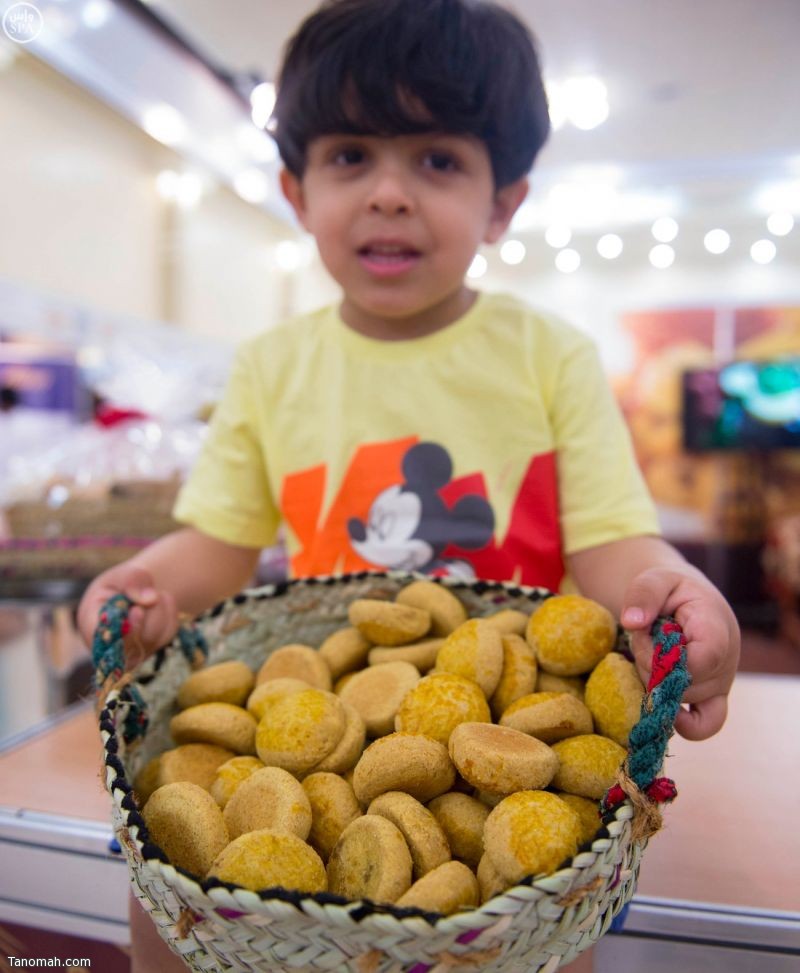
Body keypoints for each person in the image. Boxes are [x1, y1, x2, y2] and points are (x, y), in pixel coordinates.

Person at [77, 2, 740, 970]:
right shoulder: (271, 365)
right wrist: (142, 581)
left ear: (501, 202)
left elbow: (612, 546)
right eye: (349, 156)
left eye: (436, 160)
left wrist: (671, 588)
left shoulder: (546, 355)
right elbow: (213, 545)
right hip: (320, 688)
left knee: (542, 922)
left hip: (517, 721)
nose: (389, 194)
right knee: (161, 918)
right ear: (295, 194)